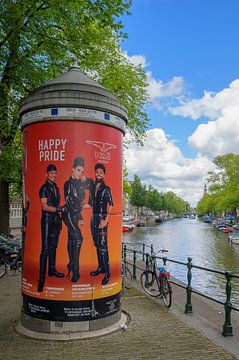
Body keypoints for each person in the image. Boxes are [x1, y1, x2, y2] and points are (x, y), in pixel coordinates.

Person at [62, 157, 93, 282]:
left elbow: (92, 185)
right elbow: (70, 203)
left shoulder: (80, 184)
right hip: (68, 215)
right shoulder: (67, 184)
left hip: (75, 214)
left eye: (82, 171)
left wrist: (89, 203)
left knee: (72, 240)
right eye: (78, 170)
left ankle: (70, 265)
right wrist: (80, 217)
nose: (80, 173)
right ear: (73, 169)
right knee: (79, 238)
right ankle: (76, 270)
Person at [38, 164, 64, 293]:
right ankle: (41, 281)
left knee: (54, 247)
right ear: (46, 174)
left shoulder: (56, 188)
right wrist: (57, 209)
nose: (54, 175)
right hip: (47, 221)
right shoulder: (44, 188)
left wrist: (61, 210)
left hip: (55, 221)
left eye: (55, 173)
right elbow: (44, 207)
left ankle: (52, 271)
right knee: (46, 248)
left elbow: (56, 204)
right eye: (51, 173)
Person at [89, 163, 113, 285]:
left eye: (101, 172)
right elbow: (89, 203)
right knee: (97, 244)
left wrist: (106, 220)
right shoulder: (92, 188)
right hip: (93, 219)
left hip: (102, 218)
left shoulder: (107, 189)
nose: (99, 174)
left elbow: (111, 205)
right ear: (95, 173)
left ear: (104, 174)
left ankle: (108, 273)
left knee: (103, 246)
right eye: (97, 172)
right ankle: (100, 268)